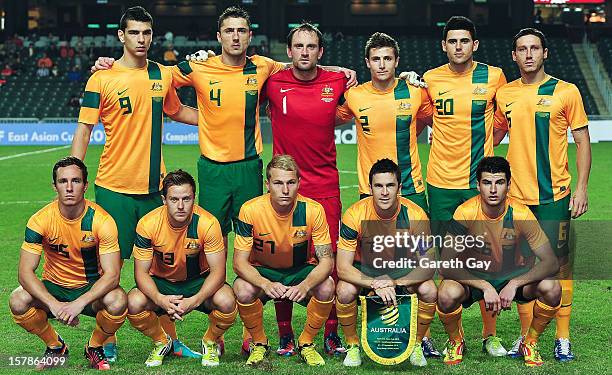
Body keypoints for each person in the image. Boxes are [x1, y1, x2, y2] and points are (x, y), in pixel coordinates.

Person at [71, 6, 199, 362]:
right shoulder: (102, 78)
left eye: (146, 33)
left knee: (159, 270)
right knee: (110, 273)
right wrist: (75, 173)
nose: (141, 40)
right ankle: (105, 340)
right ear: (121, 36)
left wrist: (224, 121)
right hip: (114, 188)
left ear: (152, 36)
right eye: (134, 33)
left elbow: (179, 112)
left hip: (155, 190)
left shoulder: (161, 74)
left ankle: (170, 342)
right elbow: (84, 128)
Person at [493, 28, 591, 362]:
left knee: (560, 267)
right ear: (514, 56)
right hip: (516, 197)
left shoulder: (567, 91)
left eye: (535, 48)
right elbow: (492, 135)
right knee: (523, 265)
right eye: (522, 49)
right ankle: (525, 338)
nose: (529, 54)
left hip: (554, 195)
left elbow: (583, 141)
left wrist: (580, 188)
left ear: (545, 53)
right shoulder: (504, 94)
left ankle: (562, 338)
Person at [261, 22, 348, 357]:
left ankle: (330, 333)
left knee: (331, 261)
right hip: (286, 186)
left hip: (325, 187)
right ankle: (285, 334)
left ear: (320, 52)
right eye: (299, 46)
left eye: (311, 47)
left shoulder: (337, 80)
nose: (305, 52)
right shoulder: (274, 81)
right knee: (284, 257)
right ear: (289, 51)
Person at [422, 16, 508, 355]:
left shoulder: (495, 76)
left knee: (485, 258)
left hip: (479, 186)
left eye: (464, 41)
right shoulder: (430, 79)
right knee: (449, 259)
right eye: (452, 41)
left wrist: (486, 152)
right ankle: (454, 338)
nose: (458, 46)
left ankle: (490, 335)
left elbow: (502, 121)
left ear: (475, 44)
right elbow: (419, 116)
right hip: (441, 185)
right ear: (444, 46)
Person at [437, 156, 561, 367]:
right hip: (475, 279)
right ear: (478, 186)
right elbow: (445, 264)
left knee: (552, 288)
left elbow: (551, 262)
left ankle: (529, 342)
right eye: (487, 182)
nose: (493, 189)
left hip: (511, 278)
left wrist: (514, 283)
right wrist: (484, 286)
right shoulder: (465, 212)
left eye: (499, 182)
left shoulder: (521, 213)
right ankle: (456, 341)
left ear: (509, 185)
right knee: (446, 294)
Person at [9, 156, 127, 370]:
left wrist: (79, 303)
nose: (70, 187)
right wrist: (54, 304)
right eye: (63, 181)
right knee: (17, 300)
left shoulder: (102, 221)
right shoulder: (40, 220)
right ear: (55, 186)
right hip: (55, 286)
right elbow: (25, 273)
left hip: (91, 289)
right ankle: (55, 347)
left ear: (85, 186)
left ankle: (94, 345)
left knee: (118, 300)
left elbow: (112, 275)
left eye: (76, 181)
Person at [233, 155, 335, 366]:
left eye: (290, 182)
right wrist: (265, 283)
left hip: (301, 269)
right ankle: (260, 342)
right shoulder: (249, 210)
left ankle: (306, 342)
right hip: (264, 271)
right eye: (278, 183)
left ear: (299, 182)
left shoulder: (313, 210)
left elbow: (327, 261)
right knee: (242, 288)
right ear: (267, 184)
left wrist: (305, 285)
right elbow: (239, 263)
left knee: (327, 286)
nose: (285, 190)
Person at [128, 170, 237, 367]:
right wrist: (160, 298)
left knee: (227, 300)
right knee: (134, 302)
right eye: (174, 199)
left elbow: (219, 272)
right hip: (162, 283)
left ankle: (210, 342)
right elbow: (140, 273)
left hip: (199, 281)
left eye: (186, 199)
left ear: (194, 199)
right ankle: (163, 341)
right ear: (164, 200)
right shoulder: (147, 224)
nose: (180, 206)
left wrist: (194, 301)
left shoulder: (209, 223)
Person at [335, 159, 438, 367]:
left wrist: (395, 282)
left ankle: (416, 345)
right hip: (366, 271)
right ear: (370, 187)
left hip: (400, 272)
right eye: (378, 186)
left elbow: (428, 264)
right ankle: (353, 345)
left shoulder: (416, 215)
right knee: (344, 290)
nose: (384, 192)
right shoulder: (354, 214)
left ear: (399, 188)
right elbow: (343, 267)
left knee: (429, 289)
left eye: (390, 186)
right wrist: (375, 283)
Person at [336, 32, 432, 210]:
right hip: (370, 189)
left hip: (411, 188)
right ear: (367, 62)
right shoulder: (355, 95)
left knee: (420, 239)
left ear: (396, 61)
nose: (381, 65)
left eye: (387, 58)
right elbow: (322, 119)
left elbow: (442, 122)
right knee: (375, 239)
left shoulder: (415, 91)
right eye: (376, 59)